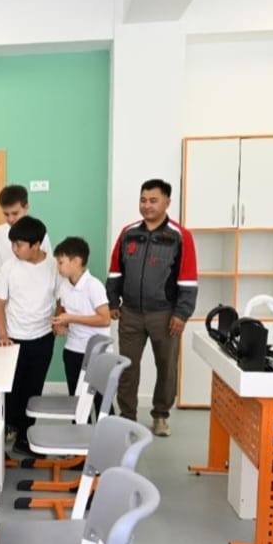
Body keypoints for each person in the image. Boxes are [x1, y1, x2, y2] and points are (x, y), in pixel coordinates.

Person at [106, 179, 198, 437]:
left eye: (153, 200)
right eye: (143, 200)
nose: (147, 205)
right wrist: (113, 301)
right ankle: (128, 417)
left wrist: (181, 314)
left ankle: (160, 415)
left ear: (167, 202)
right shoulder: (128, 233)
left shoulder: (180, 236)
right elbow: (115, 271)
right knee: (127, 367)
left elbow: (188, 279)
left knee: (166, 367)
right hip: (130, 314)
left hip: (165, 315)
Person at [0, 215, 58, 455]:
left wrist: (59, 321)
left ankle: (25, 437)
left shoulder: (54, 266)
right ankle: (8, 431)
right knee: (12, 391)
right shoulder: (9, 267)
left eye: (19, 245)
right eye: (12, 244)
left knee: (33, 390)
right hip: (13, 340)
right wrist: (2, 335)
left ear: (36, 244)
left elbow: (61, 299)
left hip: (43, 338)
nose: (14, 249)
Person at [52, 236, 111, 395]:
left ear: (76, 261)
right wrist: (59, 325)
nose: (58, 267)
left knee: (99, 398)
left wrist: (71, 318)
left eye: (61, 262)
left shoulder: (94, 285)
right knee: (76, 398)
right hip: (72, 349)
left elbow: (105, 319)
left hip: (96, 352)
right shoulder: (64, 286)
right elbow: (61, 310)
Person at [0, 184, 53, 279]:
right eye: (6, 214)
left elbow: (48, 266)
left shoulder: (40, 234)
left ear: (26, 207)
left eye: (15, 213)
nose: (11, 219)